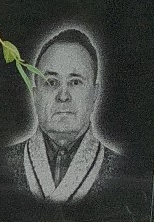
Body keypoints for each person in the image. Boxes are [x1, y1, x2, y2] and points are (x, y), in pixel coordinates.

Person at [12, 26, 123, 206]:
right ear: (35, 94)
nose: (63, 96)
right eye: (51, 82)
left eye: (75, 82)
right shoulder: (3, 162)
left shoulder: (122, 169)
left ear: (95, 94)